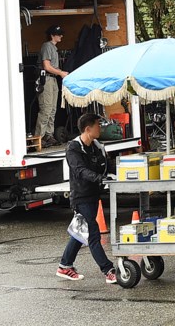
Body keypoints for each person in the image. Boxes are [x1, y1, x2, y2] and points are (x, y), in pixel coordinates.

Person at [57, 112, 117, 283]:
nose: (101, 127)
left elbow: (107, 165)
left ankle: (65, 266)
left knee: (80, 232)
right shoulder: (73, 148)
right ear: (88, 129)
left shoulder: (97, 146)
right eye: (98, 125)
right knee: (92, 233)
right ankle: (108, 270)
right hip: (80, 197)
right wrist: (99, 178)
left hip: (93, 194)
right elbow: (80, 170)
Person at [36, 25, 69, 147]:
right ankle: (39, 137)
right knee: (46, 109)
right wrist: (61, 73)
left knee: (53, 110)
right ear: (52, 35)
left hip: (53, 80)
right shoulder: (47, 46)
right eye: (58, 34)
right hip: (47, 79)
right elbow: (47, 66)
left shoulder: (54, 48)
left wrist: (61, 73)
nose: (61, 36)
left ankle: (48, 135)